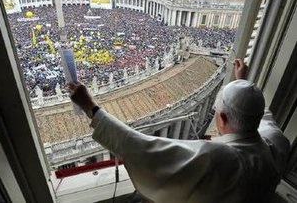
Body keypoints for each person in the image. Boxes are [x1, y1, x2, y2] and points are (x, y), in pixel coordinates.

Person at [68, 59, 290, 203]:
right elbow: (260, 113)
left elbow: (141, 147)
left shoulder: (215, 158)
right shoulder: (278, 142)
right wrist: (242, 83)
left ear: (221, 117)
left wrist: (91, 107)